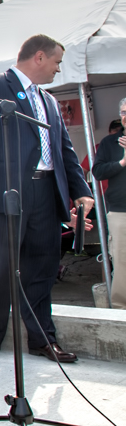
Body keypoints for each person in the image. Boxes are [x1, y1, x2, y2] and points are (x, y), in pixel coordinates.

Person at [0, 34, 93, 363]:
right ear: (40, 57)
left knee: (42, 267)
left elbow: (64, 153)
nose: (59, 70)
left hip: (45, 192)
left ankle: (42, 338)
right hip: (4, 193)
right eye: (58, 62)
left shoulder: (49, 103)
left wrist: (81, 192)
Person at [93, 97, 126, 309]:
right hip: (120, 210)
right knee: (122, 261)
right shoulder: (109, 143)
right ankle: (121, 309)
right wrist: (122, 162)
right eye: (123, 112)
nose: (125, 116)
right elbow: (98, 171)